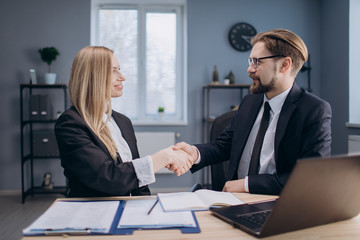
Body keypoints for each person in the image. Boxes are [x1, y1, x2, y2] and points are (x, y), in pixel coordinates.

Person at [176, 29, 332, 195]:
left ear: (284, 65)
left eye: (257, 62)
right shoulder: (249, 102)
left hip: (278, 205)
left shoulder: (314, 110)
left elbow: (311, 178)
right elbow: (225, 146)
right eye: (250, 61)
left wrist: (247, 185)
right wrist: (195, 153)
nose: (249, 69)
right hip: (234, 201)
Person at [55, 46, 193, 198]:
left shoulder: (123, 122)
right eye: (113, 71)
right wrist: (163, 157)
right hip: (94, 214)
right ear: (93, 76)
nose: (122, 77)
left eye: (119, 69)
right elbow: (108, 178)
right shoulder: (70, 124)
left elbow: (138, 183)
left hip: (128, 210)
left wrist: (146, 207)